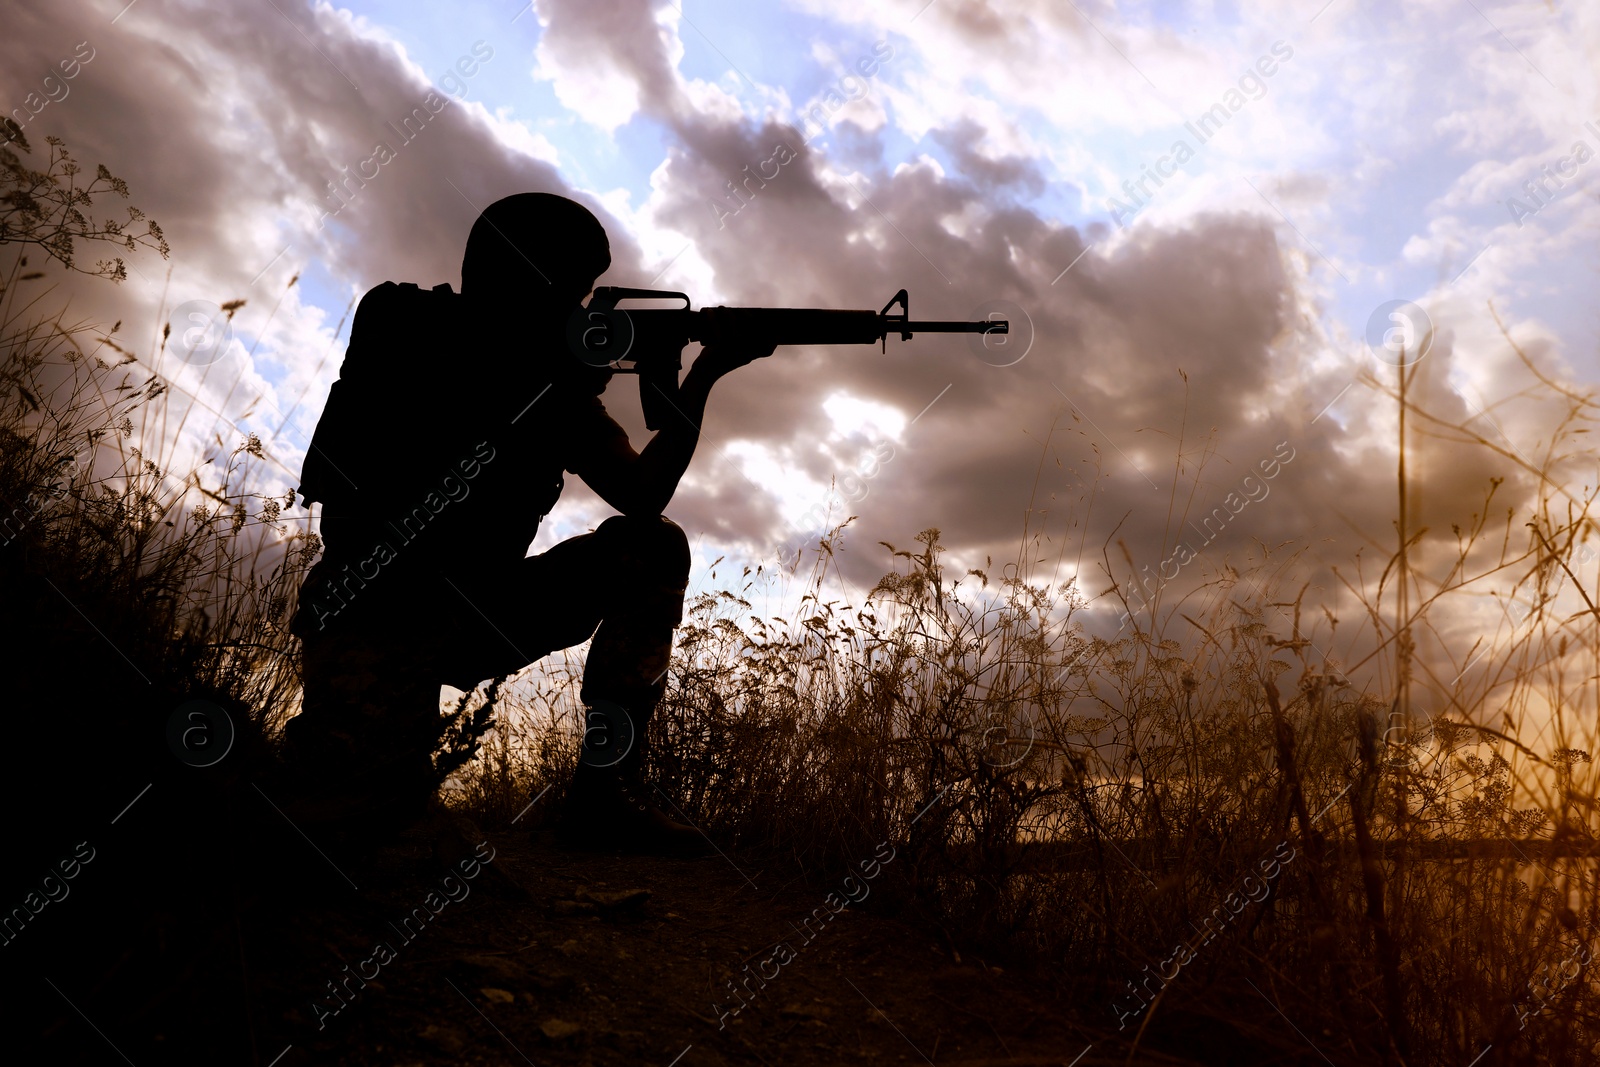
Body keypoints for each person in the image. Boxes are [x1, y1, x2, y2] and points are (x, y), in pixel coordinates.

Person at [281, 192, 773, 855]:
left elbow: (641, 493)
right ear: (526, 282)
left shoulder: (556, 391)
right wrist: (557, 379)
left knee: (650, 548)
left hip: (479, 610)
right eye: (572, 293)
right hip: (377, 610)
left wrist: (706, 372)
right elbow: (468, 381)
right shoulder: (400, 319)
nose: (580, 313)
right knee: (358, 827)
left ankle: (607, 794)